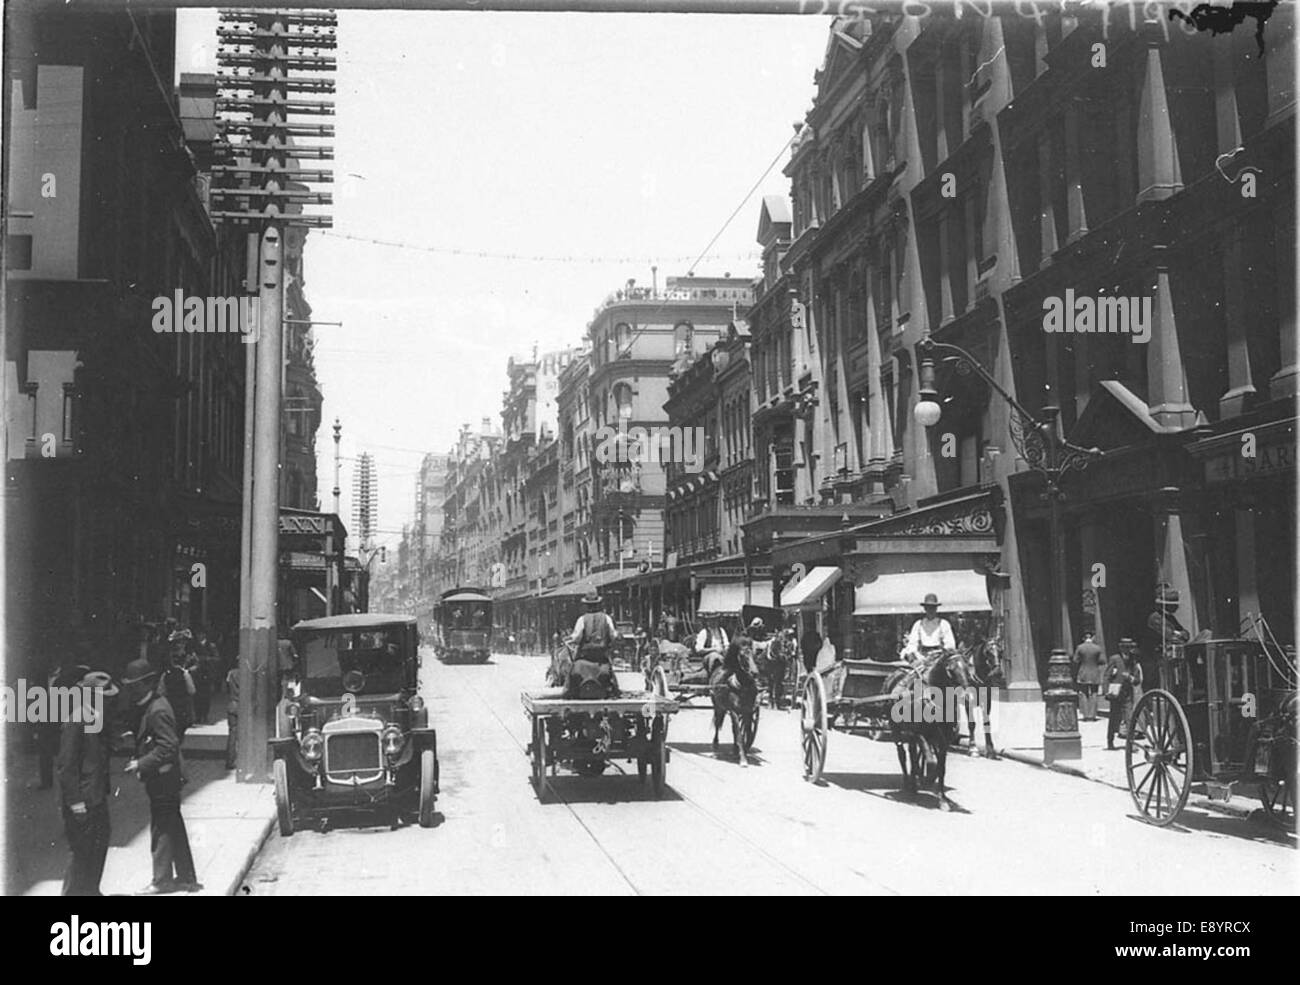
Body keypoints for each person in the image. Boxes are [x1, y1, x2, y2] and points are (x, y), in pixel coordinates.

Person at [121, 658, 201, 894]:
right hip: (166, 777)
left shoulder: (157, 709)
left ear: (146, 684)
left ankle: (162, 881)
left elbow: (168, 747)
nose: (131, 690)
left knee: (162, 828)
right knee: (173, 825)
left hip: (164, 778)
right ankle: (186, 877)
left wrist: (140, 763)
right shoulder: (152, 705)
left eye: (134, 685)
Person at [56, 659, 117, 896]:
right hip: (82, 799)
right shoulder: (76, 719)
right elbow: (66, 765)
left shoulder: (95, 717)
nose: (109, 700)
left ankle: (91, 890)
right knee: (81, 852)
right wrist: (75, 801)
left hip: (97, 794)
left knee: (99, 844)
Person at [566, 592, 620, 699]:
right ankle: (614, 692)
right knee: (611, 677)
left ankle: (569, 693)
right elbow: (613, 635)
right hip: (601, 657)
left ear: (586, 605)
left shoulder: (582, 619)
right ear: (598, 604)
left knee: (572, 672)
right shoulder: (607, 618)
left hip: (584, 657)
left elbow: (576, 638)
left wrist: (570, 639)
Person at [1105, 639, 1144, 750]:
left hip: (1127, 693)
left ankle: (1130, 744)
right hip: (1116, 693)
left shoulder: (1133, 660)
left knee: (1130, 718)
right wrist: (1106, 690)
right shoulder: (1114, 659)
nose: (1127, 649)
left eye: (1129, 647)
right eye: (1125, 647)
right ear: (1121, 647)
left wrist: (1131, 678)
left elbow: (1137, 679)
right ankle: (1110, 741)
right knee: (1114, 718)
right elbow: (1107, 675)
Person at [902, 594, 956, 668]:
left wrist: (941, 656)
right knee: (917, 676)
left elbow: (950, 645)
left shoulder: (943, 624)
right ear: (925, 608)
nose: (931, 610)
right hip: (921, 659)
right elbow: (912, 644)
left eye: (933, 608)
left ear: (936, 608)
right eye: (928, 608)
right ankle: (918, 680)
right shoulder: (918, 625)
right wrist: (918, 657)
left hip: (940, 659)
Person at [1073, 630, 1105, 721]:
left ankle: (1086, 715)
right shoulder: (1097, 648)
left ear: (1084, 638)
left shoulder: (1080, 647)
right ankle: (1093, 715)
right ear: (1092, 637)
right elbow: (1102, 661)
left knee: (1084, 693)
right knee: (1094, 693)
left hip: (1083, 672)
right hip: (1095, 672)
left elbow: (1075, 660)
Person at [224, 662, 240, 771]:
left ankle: (230, 760)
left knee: (232, 734)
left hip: (232, 704)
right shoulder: (246, 673)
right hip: (242, 705)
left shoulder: (231, 673)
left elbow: (227, 687)